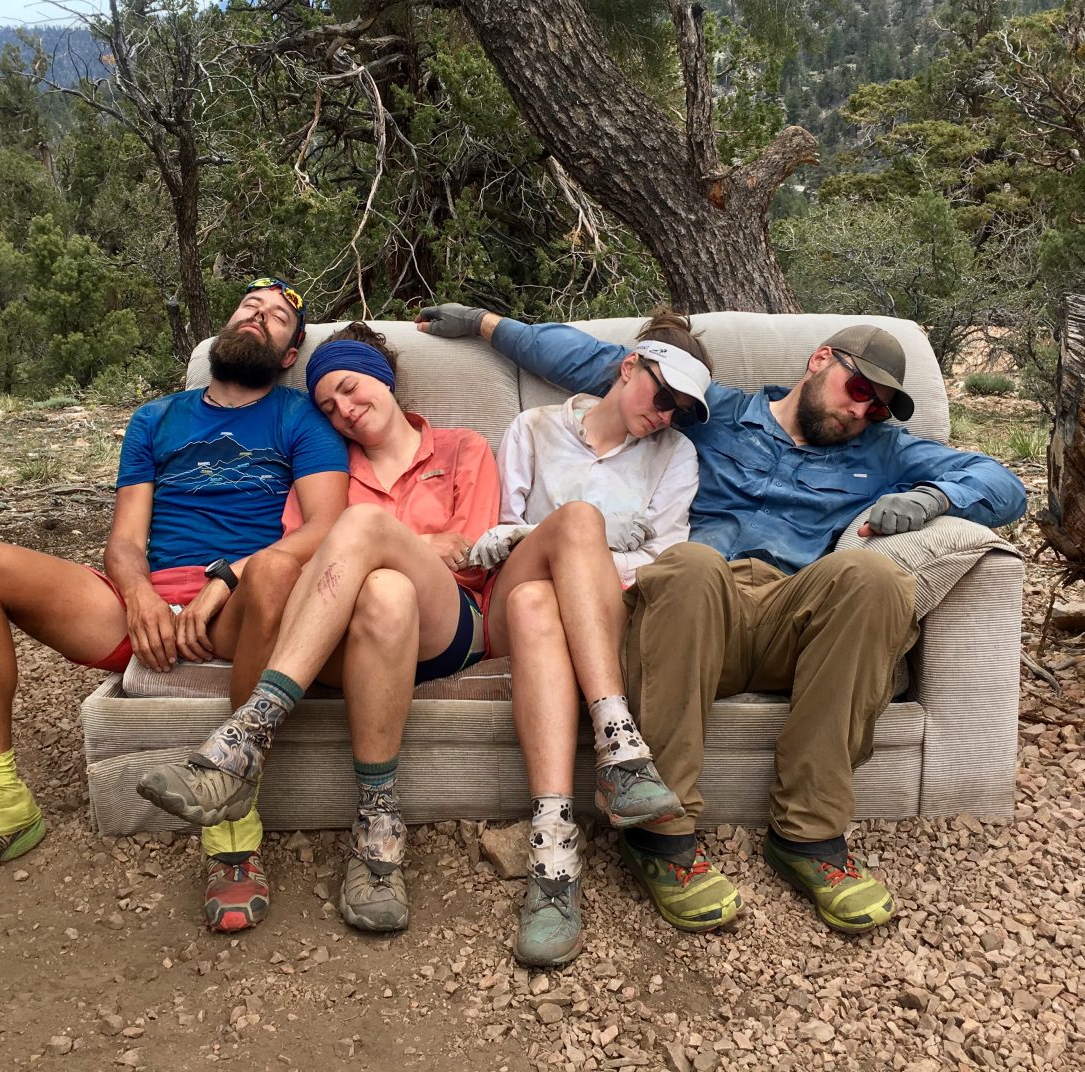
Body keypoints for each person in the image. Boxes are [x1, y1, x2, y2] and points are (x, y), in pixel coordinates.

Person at [418, 303, 1027, 935]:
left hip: (795, 614)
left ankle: (809, 835)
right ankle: (662, 835)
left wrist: (933, 496)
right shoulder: (716, 412)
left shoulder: (884, 451)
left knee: (876, 579)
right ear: (820, 361)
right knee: (690, 564)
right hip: (695, 610)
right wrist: (487, 325)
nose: (862, 412)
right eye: (858, 391)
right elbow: (598, 364)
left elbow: (1004, 485)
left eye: (878, 408)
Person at [0, 278, 350, 937]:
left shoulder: (299, 418)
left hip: (239, 606)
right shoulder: (156, 418)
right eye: (250, 307)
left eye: (279, 317)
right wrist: (139, 594)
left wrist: (228, 577)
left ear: (289, 355)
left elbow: (326, 526)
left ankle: (231, 815)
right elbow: (123, 540)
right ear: (225, 326)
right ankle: (0, 800)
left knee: (277, 573)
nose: (259, 317)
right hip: (143, 600)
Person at [138, 325, 500, 933]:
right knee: (384, 590)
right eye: (329, 407)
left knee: (360, 528)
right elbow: (299, 563)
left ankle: (247, 735)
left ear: (384, 381)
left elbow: (473, 554)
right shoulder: (333, 468)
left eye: (352, 390)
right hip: (362, 631)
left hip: (448, 623)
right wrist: (413, 548)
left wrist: (391, 543)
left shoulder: (463, 448)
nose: (344, 411)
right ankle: (378, 828)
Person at [447, 309, 718, 967]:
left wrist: (587, 562)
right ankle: (620, 751)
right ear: (629, 368)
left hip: (595, 611)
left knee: (545, 595)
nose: (666, 416)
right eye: (663, 396)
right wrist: (571, 540)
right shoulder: (534, 427)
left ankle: (553, 853)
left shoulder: (675, 456)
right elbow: (503, 528)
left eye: (682, 410)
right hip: (513, 590)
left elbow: (664, 557)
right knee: (573, 524)